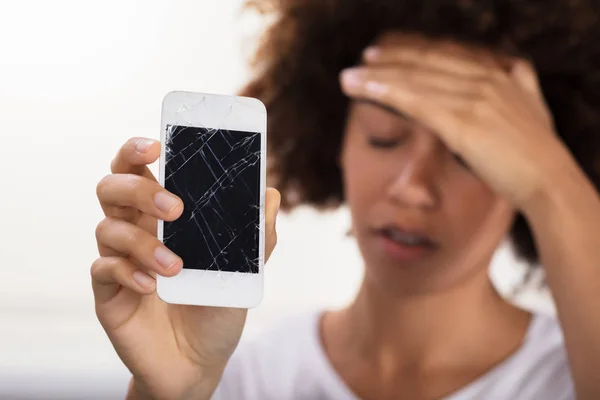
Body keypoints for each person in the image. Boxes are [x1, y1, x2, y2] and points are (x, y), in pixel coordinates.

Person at [92, 0, 600, 399]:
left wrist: (554, 181)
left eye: (468, 155)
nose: (412, 186)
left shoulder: (571, 375)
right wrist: (171, 396)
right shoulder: (249, 378)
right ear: (337, 140)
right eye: (384, 137)